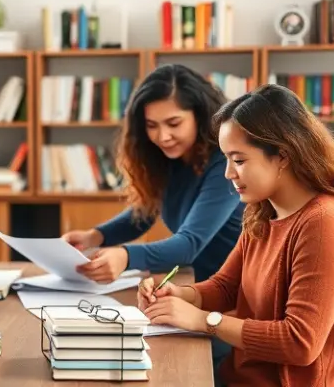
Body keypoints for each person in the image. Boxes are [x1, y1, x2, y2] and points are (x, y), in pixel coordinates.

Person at [138, 84, 334, 386]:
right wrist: (182, 295)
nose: (228, 174)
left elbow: (300, 343)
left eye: (240, 160)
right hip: (239, 376)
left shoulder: (324, 221)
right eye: (226, 159)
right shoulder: (262, 210)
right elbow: (227, 287)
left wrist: (204, 320)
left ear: (283, 156)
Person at [62, 64, 245, 284]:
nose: (162, 136)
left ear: (200, 115)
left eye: (173, 123)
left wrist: (126, 256)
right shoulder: (172, 159)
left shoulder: (225, 164)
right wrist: (94, 236)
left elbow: (188, 245)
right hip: (207, 287)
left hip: (242, 295)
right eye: (151, 125)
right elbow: (145, 211)